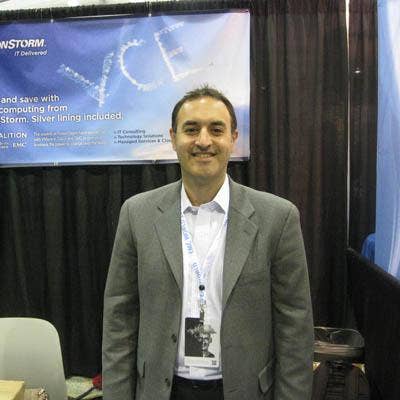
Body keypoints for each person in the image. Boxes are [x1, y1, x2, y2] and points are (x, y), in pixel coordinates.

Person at [102, 86, 314, 400]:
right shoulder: (137, 214)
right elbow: (119, 320)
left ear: (233, 138)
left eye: (216, 130)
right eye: (191, 130)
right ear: (173, 138)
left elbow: (295, 329)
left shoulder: (278, 218)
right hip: (161, 391)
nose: (203, 141)